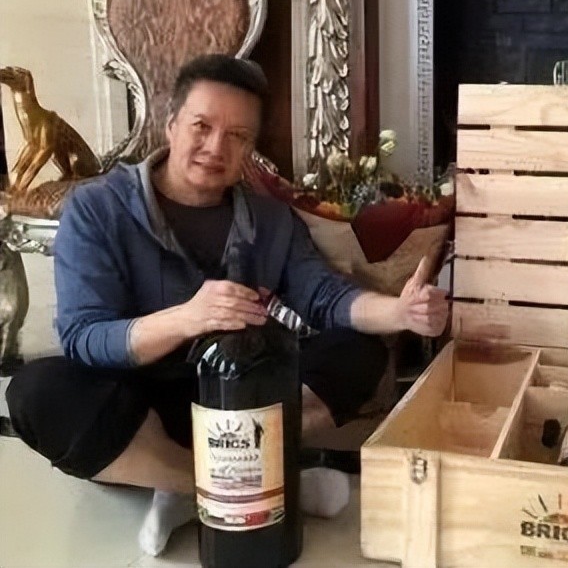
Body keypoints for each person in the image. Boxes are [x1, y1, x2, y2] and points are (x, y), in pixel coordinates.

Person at [5, 54, 449, 556]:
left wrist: (400, 313)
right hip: (141, 406)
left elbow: (323, 296)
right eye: (202, 126)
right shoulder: (98, 208)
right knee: (37, 392)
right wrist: (186, 318)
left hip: (240, 402)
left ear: (250, 150)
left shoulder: (269, 220)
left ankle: (190, 485)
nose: (216, 147)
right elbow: (85, 337)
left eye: (238, 136)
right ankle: (232, 485)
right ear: (172, 125)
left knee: (358, 351)